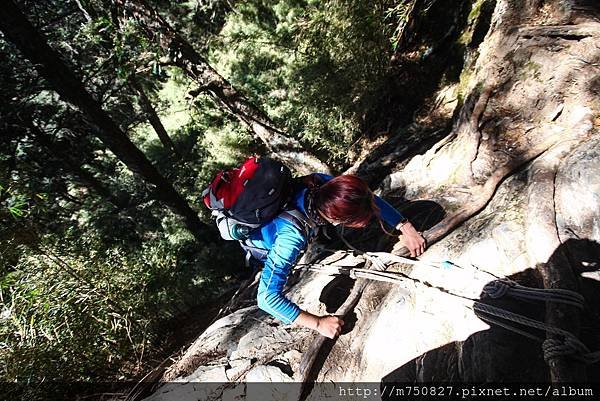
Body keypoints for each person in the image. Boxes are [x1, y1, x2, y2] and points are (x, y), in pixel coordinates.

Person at [245, 174, 426, 339]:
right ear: (339, 221)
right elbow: (267, 298)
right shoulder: (291, 239)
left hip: (284, 216)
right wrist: (318, 323)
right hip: (262, 242)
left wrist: (404, 226)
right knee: (274, 272)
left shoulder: (323, 186)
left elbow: (367, 197)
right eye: (362, 218)